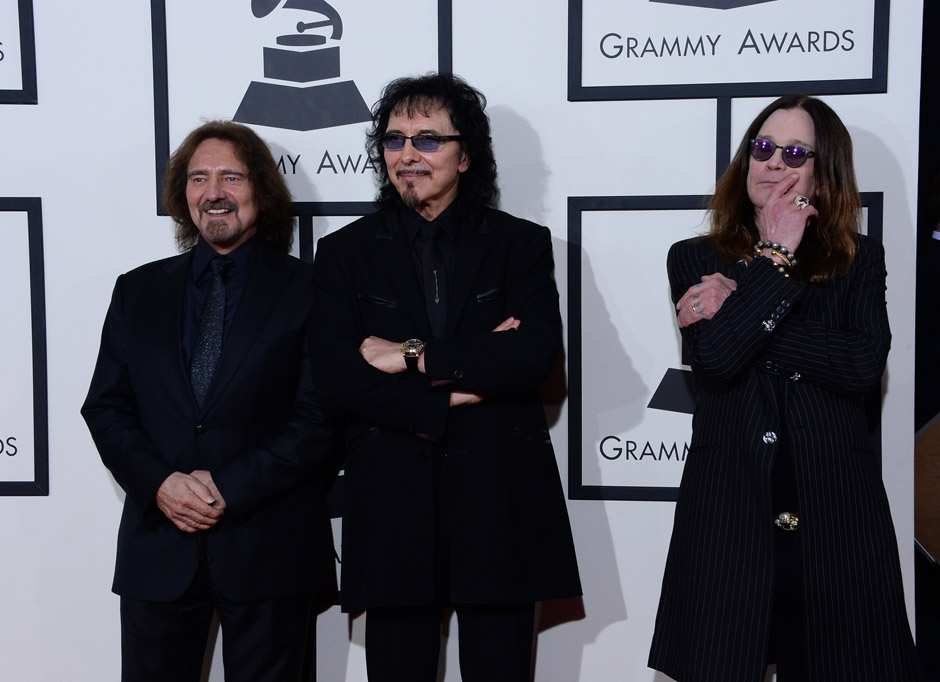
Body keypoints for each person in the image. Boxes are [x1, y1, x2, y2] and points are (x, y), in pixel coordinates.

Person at [310, 73, 581, 682]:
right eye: (394, 139)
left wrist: (407, 354)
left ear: (465, 155)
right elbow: (338, 380)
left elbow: (533, 359)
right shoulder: (345, 254)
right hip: (391, 508)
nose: (407, 154)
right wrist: (471, 375)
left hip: (500, 502)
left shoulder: (521, 245)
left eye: (428, 139)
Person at [648, 94, 922, 681]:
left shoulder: (858, 260)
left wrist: (744, 311)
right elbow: (719, 359)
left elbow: (859, 366)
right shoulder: (694, 257)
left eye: (795, 152)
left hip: (835, 520)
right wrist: (773, 257)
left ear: (824, 176)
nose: (773, 162)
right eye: (763, 147)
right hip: (731, 515)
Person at [81, 121, 336, 682]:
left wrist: (229, 487)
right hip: (159, 549)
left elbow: (319, 418)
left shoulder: (312, 289)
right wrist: (161, 484)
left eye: (231, 176)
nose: (213, 192)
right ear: (182, 194)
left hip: (271, 547)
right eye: (198, 178)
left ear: (261, 192)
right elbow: (106, 407)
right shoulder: (137, 290)